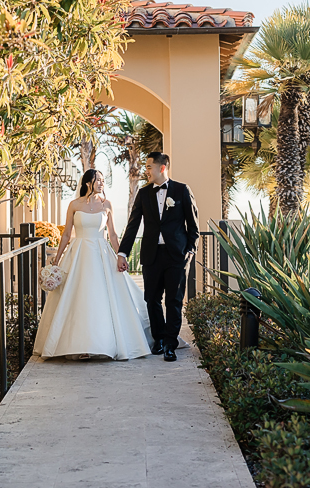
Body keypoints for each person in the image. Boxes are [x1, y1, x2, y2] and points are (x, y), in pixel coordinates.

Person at [32, 169, 152, 361]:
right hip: (77, 253)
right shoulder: (73, 205)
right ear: (88, 183)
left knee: (100, 298)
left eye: (103, 180)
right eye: (98, 180)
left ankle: (102, 343)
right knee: (77, 296)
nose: (102, 183)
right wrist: (56, 260)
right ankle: (76, 345)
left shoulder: (107, 205)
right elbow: (65, 234)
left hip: (101, 253)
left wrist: (121, 255)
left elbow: (112, 234)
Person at [117, 152, 199, 362]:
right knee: (151, 299)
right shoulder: (143, 193)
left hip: (176, 256)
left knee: (174, 300)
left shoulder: (181, 190)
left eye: (149, 166)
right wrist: (122, 252)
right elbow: (133, 225)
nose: (146, 170)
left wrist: (190, 250)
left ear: (162, 168)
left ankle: (170, 344)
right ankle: (159, 339)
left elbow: (193, 225)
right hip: (151, 255)